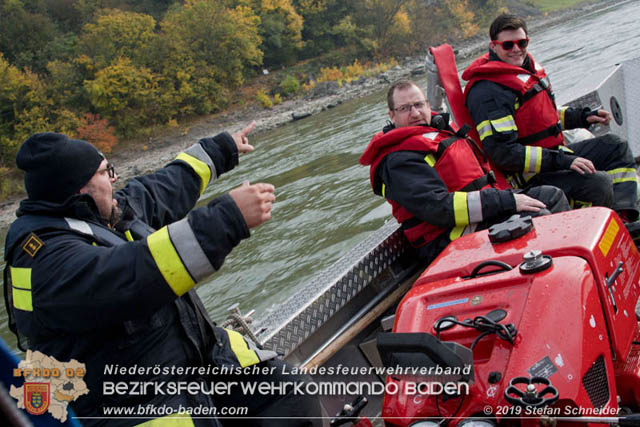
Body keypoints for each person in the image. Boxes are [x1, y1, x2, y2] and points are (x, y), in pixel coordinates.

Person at [3, 128, 321, 426]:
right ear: (78, 189)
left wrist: (222, 148)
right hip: (137, 405)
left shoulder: (96, 215)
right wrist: (227, 219)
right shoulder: (44, 261)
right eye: (103, 172)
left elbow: (160, 190)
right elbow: (132, 275)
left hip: (192, 369)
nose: (114, 178)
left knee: (287, 393)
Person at [360, 80, 570, 262]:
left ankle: (572, 263)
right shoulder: (398, 160)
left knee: (551, 196)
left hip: (476, 217)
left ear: (427, 104)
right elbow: (440, 207)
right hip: (446, 237)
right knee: (535, 217)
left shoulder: (435, 132)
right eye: (405, 109)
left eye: (418, 104)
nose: (415, 113)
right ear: (391, 115)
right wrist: (506, 201)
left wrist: (504, 200)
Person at [463, 13, 639, 222]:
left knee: (615, 146)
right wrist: (564, 161)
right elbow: (504, 154)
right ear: (493, 47)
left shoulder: (525, 70)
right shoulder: (488, 93)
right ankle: (596, 230)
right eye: (508, 45)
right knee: (597, 182)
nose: (517, 49)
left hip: (555, 155)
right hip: (530, 175)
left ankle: (625, 218)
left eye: (522, 42)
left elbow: (541, 120)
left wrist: (582, 118)